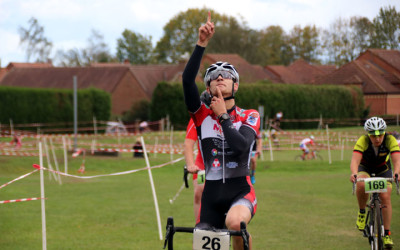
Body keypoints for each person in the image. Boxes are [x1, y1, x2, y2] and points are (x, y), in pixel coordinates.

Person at [182, 12, 259, 250]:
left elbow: (242, 146)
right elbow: (186, 81)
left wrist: (224, 116)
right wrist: (201, 43)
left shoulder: (250, 115)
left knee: (235, 223)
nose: (220, 78)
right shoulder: (201, 116)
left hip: (241, 192)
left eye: (226, 76)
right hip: (211, 198)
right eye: (214, 77)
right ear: (208, 86)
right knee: (202, 240)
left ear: (235, 85)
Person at [350, 117, 400, 248]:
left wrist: (397, 172)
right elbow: (355, 160)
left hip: (383, 169)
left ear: (384, 133)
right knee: (361, 183)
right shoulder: (363, 140)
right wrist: (354, 173)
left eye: (380, 135)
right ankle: (361, 212)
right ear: (368, 134)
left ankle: (387, 233)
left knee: (385, 196)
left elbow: (396, 160)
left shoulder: (390, 140)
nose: (377, 139)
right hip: (365, 168)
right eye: (373, 135)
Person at [184, 91, 210, 220]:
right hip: (202, 165)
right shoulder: (197, 119)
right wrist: (190, 164)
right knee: (199, 192)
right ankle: (199, 226)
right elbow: (188, 143)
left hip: (221, 164)